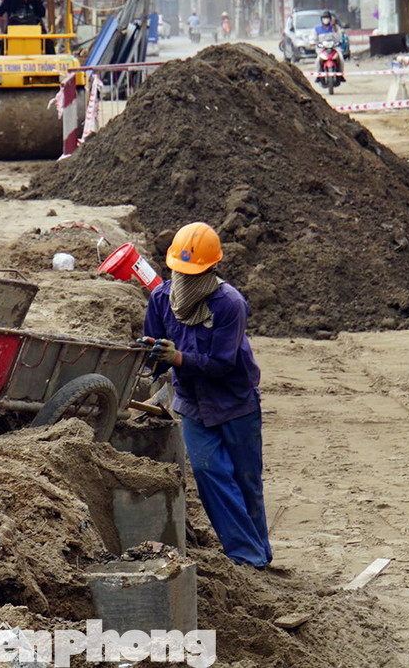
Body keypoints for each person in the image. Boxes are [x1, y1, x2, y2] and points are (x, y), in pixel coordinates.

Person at [143, 222, 271, 568]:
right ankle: (245, 556)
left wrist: (179, 358)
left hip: (235, 402)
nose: (185, 279)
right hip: (193, 405)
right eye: (180, 272)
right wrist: (152, 356)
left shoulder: (229, 304)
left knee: (246, 480)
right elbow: (154, 353)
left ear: (211, 268)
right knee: (208, 471)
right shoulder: (161, 300)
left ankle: (259, 552)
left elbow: (223, 363)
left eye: (193, 272)